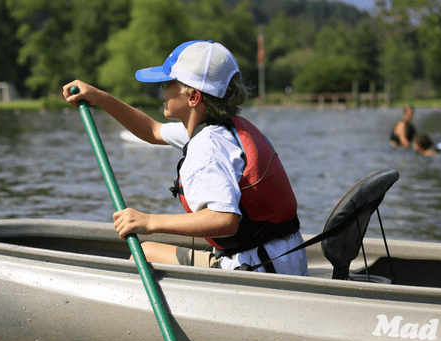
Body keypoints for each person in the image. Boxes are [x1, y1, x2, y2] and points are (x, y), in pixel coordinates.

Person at [63, 40, 307, 276]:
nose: (162, 89)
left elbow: (225, 220)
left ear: (193, 97)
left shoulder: (207, 146)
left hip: (260, 272)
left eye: (169, 83)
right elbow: (153, 131)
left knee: (147, 252)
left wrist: (149, 221)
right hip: (283, 261)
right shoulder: (225, 129)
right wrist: (99, 97)